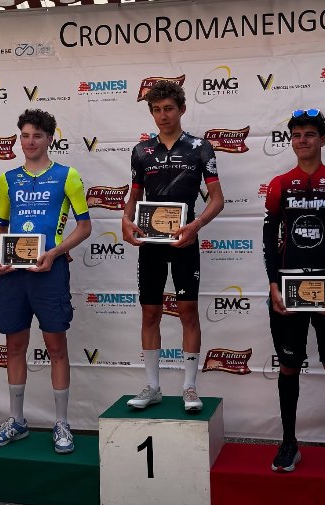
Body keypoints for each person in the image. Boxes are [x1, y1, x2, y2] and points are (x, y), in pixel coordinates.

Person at [0, 109, 91, 454]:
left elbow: (85, 226)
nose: (30, 142)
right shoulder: (7, 178)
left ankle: (61, 423)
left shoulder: (67, 176)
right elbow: (1, 227)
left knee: (56, 347)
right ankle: (16, 421)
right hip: (14, 276)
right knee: (14, 346)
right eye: (25, 135)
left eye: (37, 136)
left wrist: (56, 252)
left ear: (49, 139)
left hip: (50, 272)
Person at [263, 109, 325, 475]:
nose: (302, 140)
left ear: (322, 140)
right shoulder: (279, 184)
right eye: (297, 135)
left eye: (309, 134)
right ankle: (289, 443)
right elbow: (269, 239)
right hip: (288, 291)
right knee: (289, 365)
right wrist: (273, 284)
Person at [122, 81, 224, 412]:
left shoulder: (200, 148)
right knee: (150, 312)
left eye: (168, 108)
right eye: (156, 110)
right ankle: (152, 386)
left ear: (181, 109)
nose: (162, 116)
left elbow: (217, 200)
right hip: (151, 242)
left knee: (188, 311)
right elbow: (134, 197)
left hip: (185, 240)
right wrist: (126, 220)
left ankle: (190, 387)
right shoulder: (141, 151)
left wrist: (196, 225)